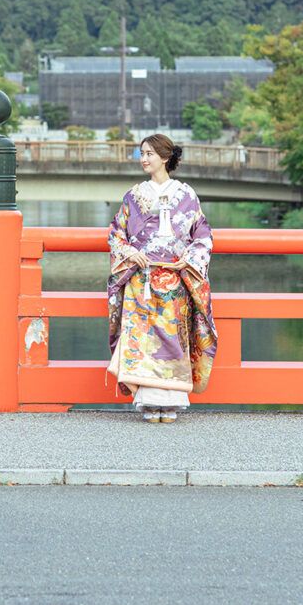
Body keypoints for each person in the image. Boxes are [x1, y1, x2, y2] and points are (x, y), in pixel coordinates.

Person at [106, 134, 218, 423]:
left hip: (174, 280)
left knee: (171, 340)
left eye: (149, 154)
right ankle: (148, 402)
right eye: (142, 153)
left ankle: (170, 402)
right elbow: (116, 233)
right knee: (143, 341)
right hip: (140, 278)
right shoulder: (133, 196)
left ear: (165, 157)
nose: (143, 159)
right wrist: (130, 252)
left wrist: (189, 259)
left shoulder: (186, 195)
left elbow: (202, 234)